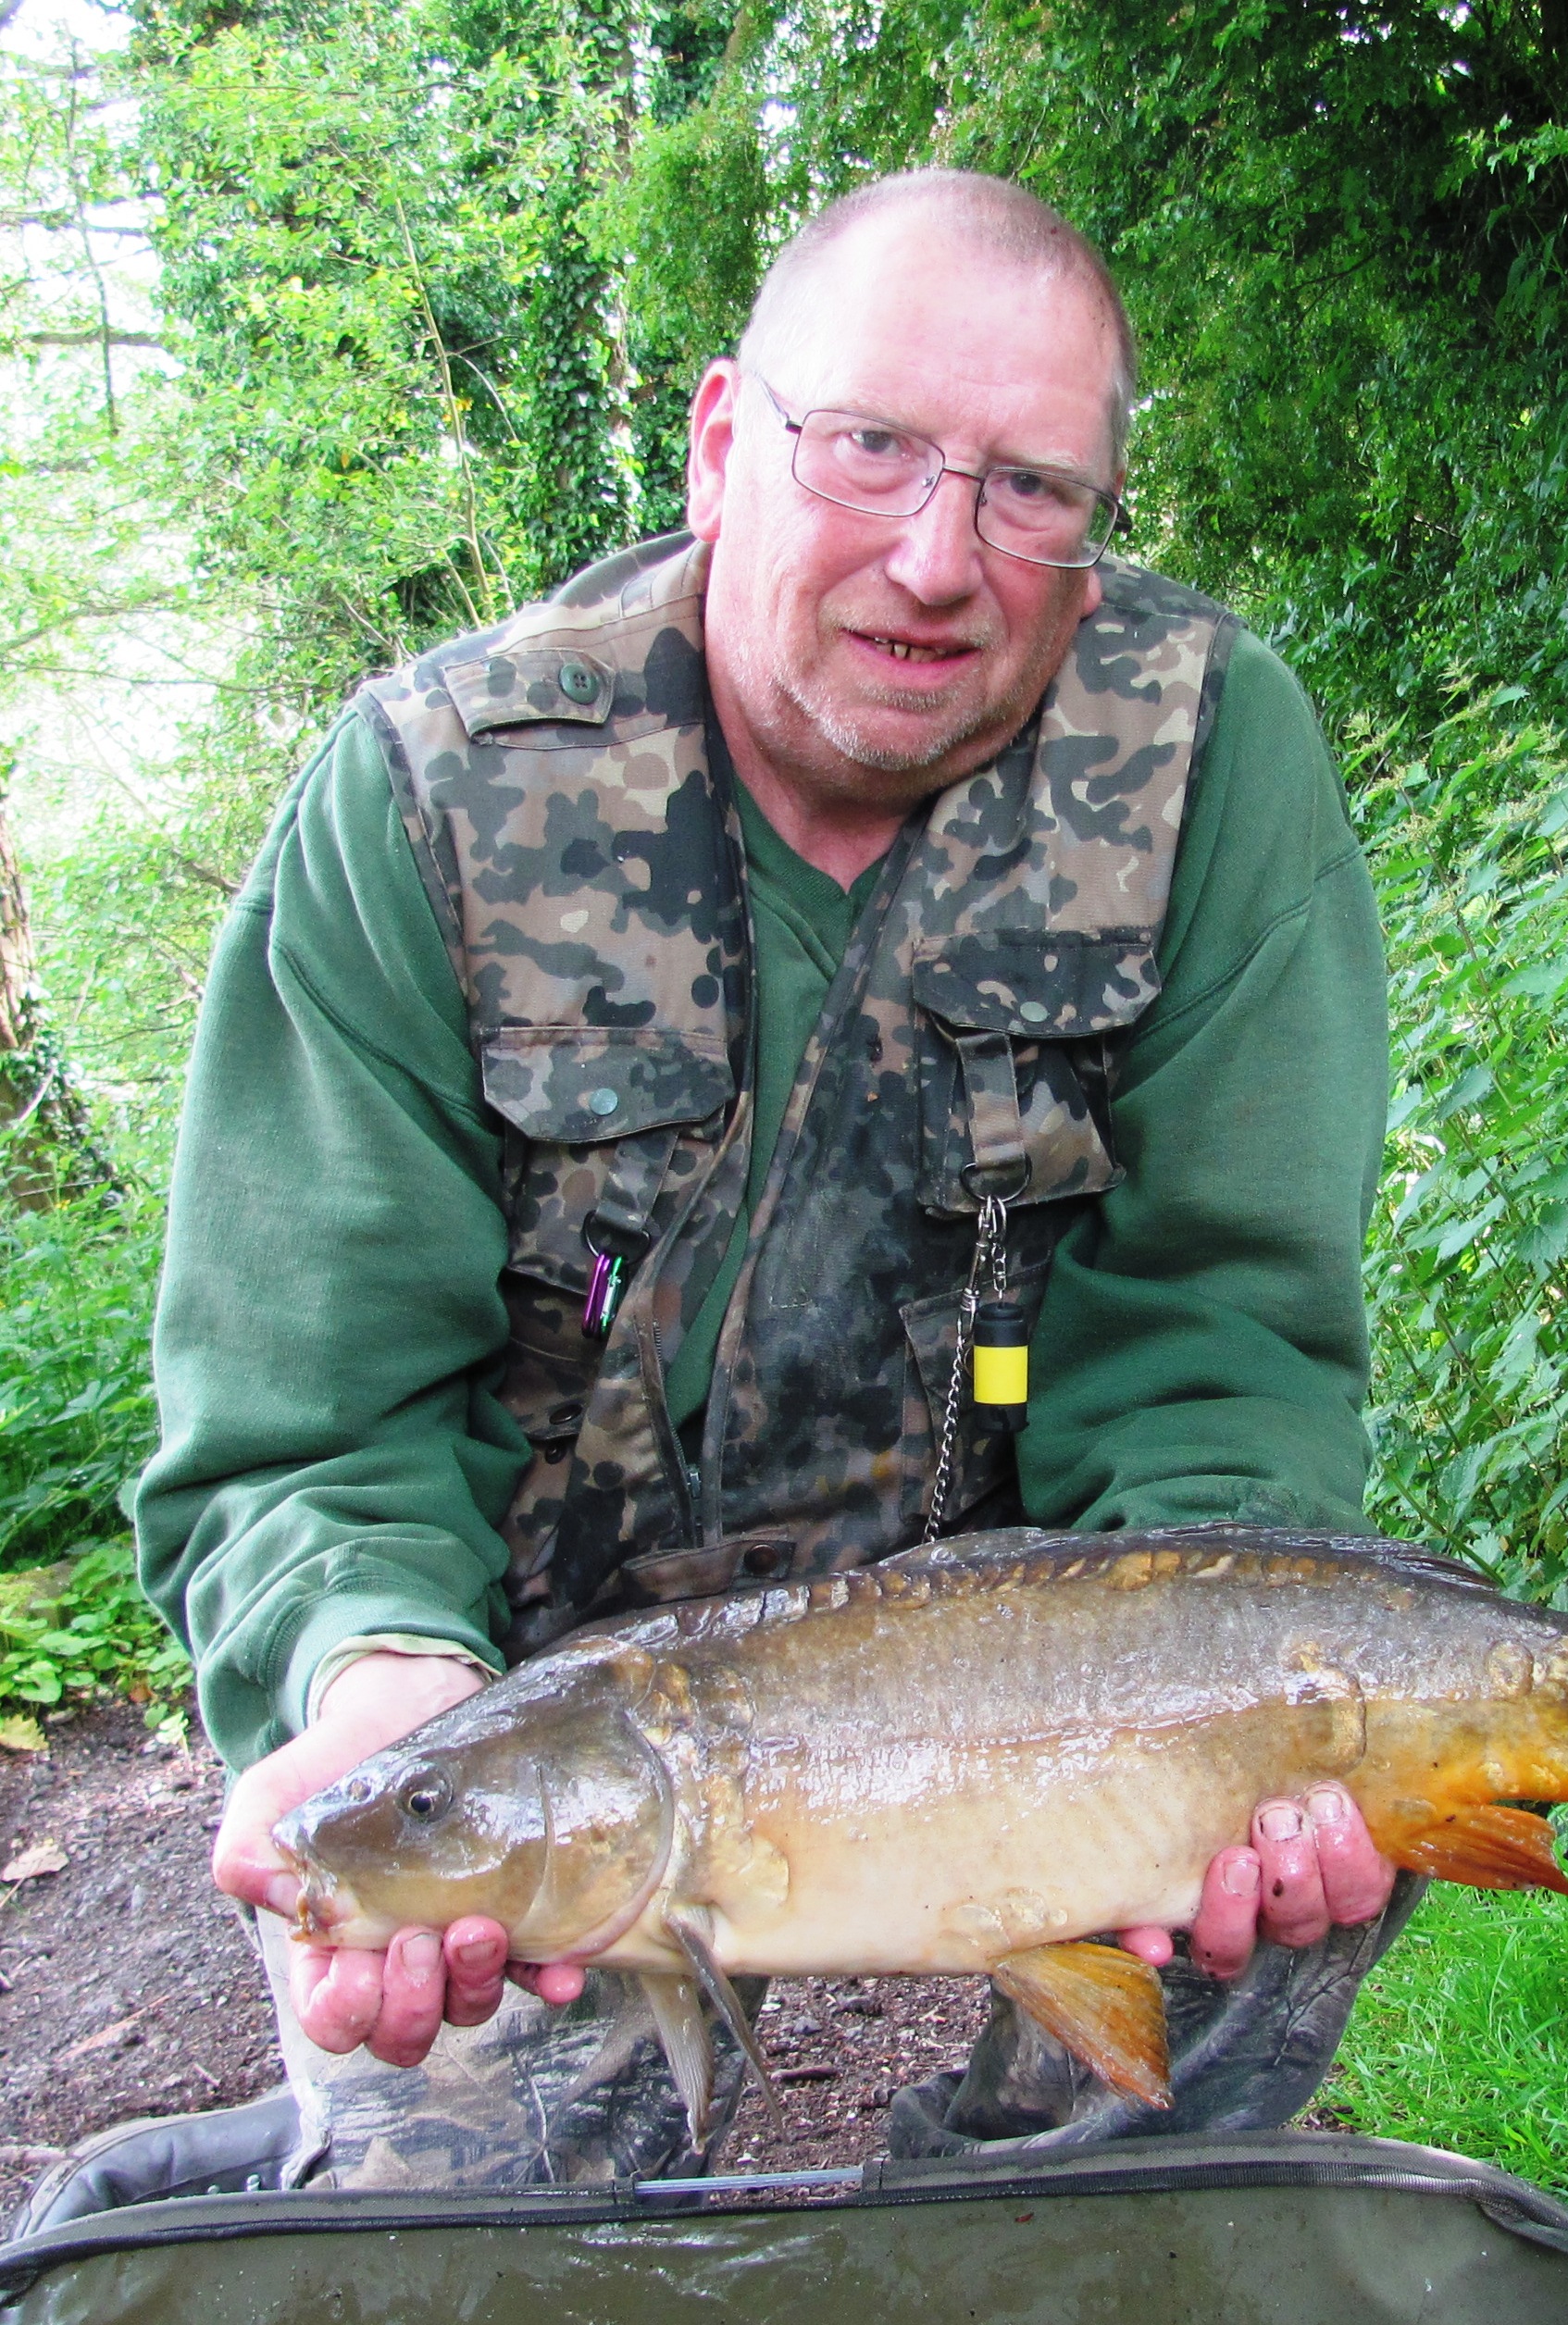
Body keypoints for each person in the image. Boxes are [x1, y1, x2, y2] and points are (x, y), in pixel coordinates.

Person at [124, 168, 1419, 2194]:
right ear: (725, 439)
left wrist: (1227, 1698)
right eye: (871, 448)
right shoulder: (427, 801)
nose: (937, 557)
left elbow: (1224, 1340)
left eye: (1028, 490)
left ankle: (1027, 2295)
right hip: (539, 1676)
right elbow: (310, 1424)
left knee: (1310, 1860)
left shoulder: (1206, 762)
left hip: (1019, 1660)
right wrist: (387, 1683)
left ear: (1092, 524)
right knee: (472, 2229)